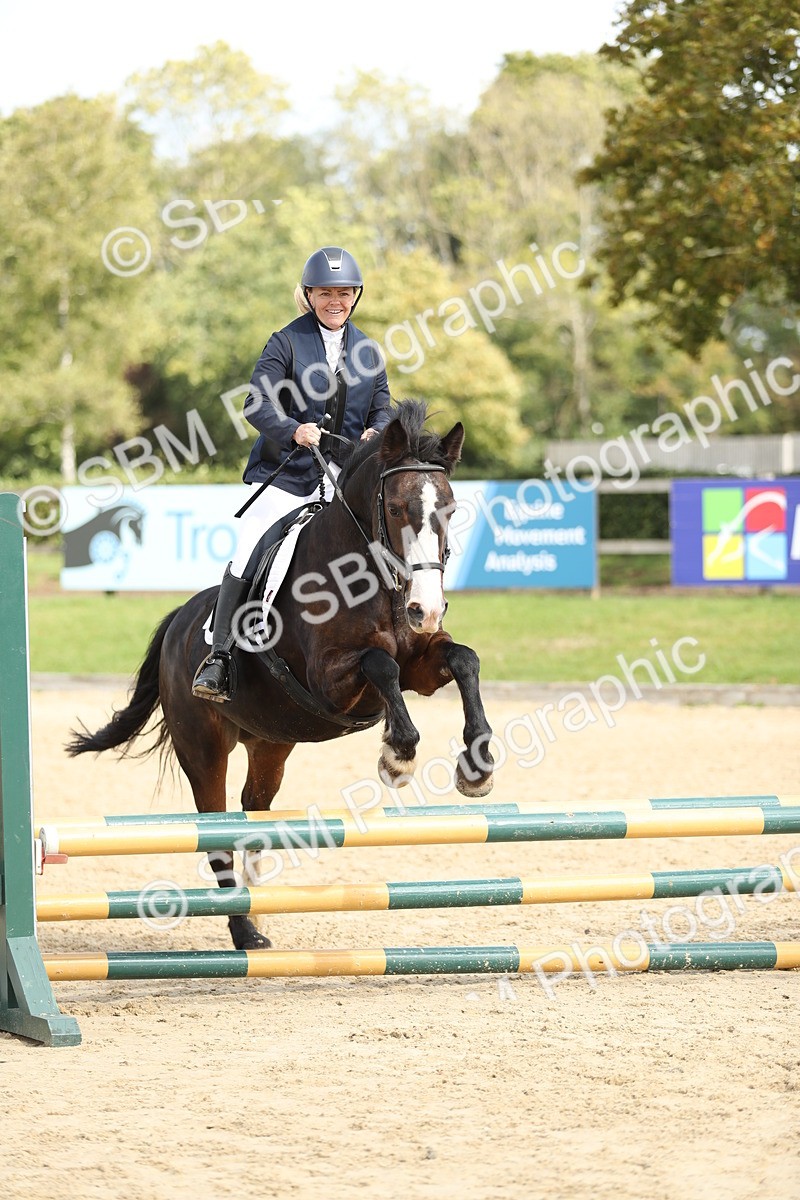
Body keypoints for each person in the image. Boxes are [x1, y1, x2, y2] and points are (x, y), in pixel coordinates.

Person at [192, 245, 392, 702]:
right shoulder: (285, 341)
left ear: (355, 295)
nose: (335, 301)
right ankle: (220, 657)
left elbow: (383, 408)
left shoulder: (368, 351)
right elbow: (257, 403)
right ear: (309, 295)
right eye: (325, 293)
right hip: (288, 474)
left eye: (343, 292)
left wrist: (374, 433)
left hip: (343, 478)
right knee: (251, 544)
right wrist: (291, 429)